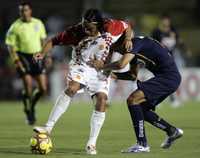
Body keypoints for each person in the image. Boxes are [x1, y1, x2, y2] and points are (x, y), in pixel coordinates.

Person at [33, 9, 133, 155]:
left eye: (88, 26)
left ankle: (91, 143)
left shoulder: (111, 27)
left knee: (102, 100)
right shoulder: (75, 32)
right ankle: (48, 127)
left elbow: (127, 26)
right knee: (72, 88)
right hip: (81, 65)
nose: (85, 28)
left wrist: (128, 39)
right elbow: (53, 41)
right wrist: (42, 53)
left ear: (97, 24)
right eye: (83, 24)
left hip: (100, 69)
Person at [89, 36, 183, 153]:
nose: (118, 52)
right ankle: (172, 131)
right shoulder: (134, 50)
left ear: (122, 42)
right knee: (140, 109)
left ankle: (142, 144)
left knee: (132, 100)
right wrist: (112, 75)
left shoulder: (137, 42)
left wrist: (102, 66)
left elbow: (121, 64)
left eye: (117, 49)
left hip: (168, 78)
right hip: (168, 78)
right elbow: (132, 75)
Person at [5, 2, 48, 125]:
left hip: (36, 56)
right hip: (22, 56)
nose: (23, 13)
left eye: (25, 10)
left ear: (30, 11)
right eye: (21, 11)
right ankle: (29, 111)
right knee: (28, 85)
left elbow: (43, 40)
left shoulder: (38, 23)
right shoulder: (15, 27)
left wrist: (47, 55)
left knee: (43, 89)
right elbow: (10, 46)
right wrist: (16, 60)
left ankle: (31, 106)